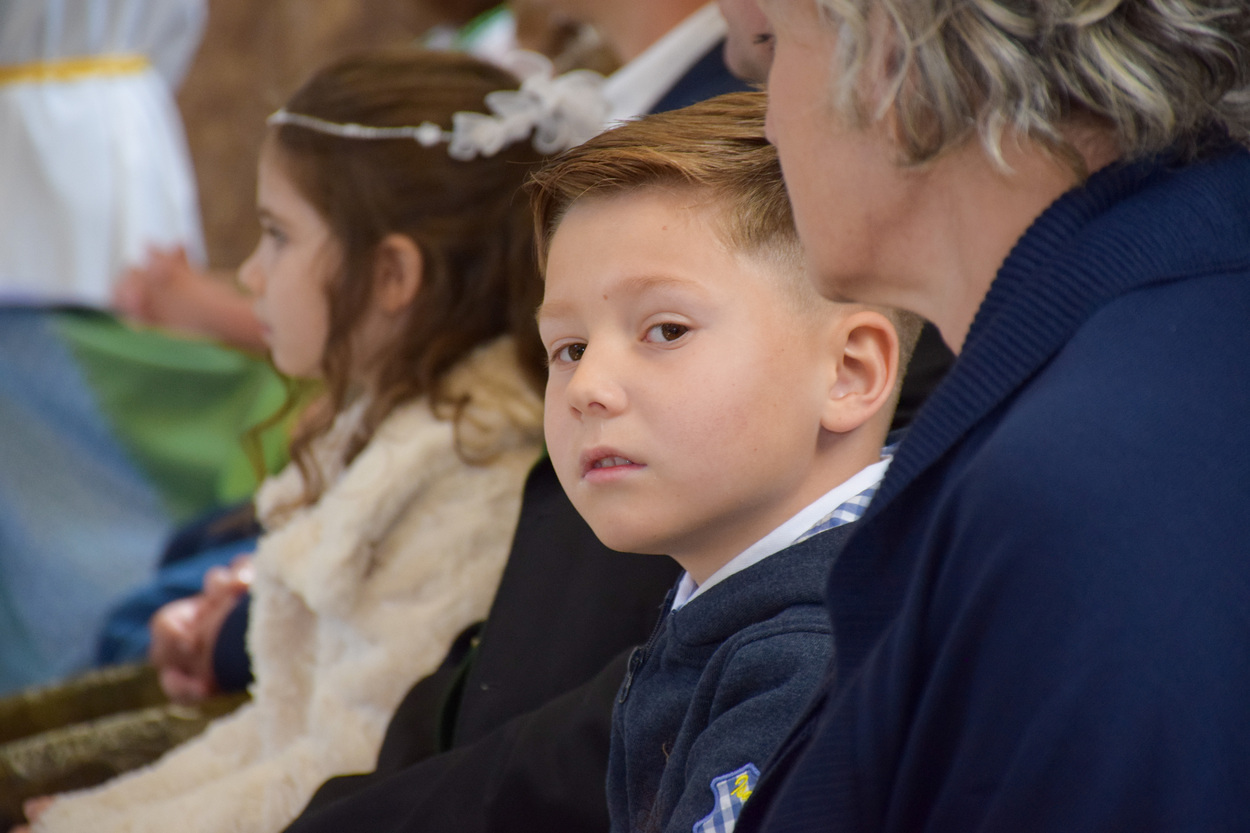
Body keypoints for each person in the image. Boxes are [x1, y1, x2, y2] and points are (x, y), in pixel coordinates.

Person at [21, 47, 593, 833]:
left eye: (277, 236)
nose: (252, 274)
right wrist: (98, 814)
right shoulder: (392, 422)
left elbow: (352, 766)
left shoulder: (474, 471)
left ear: (393, 275)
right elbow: (281, 722)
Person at [730, 2, 1250, 831]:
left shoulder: (1091, 478)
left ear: (891, 50)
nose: (768, 125)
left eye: (771, 48)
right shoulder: (1165, 338)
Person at [529, 91, 920, 833]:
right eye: (569, 348)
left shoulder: (807, 658)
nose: (587, 387)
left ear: (849, 371)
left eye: (666, 330)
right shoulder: (781, 602)